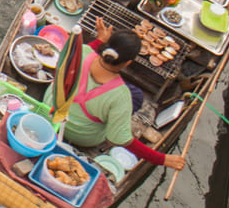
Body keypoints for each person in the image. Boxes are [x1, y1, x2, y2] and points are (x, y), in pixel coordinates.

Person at [43, 19, 187, 170]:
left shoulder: (83, 50)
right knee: (137, 96)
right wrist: (162, 159)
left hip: (50, 109)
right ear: (127, 63)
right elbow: (120, 138)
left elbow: (88, 50)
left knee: (130, 94)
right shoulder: (120, 96)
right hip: (78, 135)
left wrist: (100, 40)